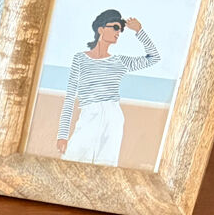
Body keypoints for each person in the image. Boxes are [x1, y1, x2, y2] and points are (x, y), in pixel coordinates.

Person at [56, 9, 160, 167]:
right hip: (89, 115)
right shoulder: (80, 59)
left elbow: (154, 57)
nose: (119, 32)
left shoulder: (120, 61)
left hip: (113, 118)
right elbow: (70, 97)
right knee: (71, 162)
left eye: (121, 29)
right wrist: (62, 135)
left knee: (105, 167)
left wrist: (139, 30)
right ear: (101, 29)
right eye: (115, 27)